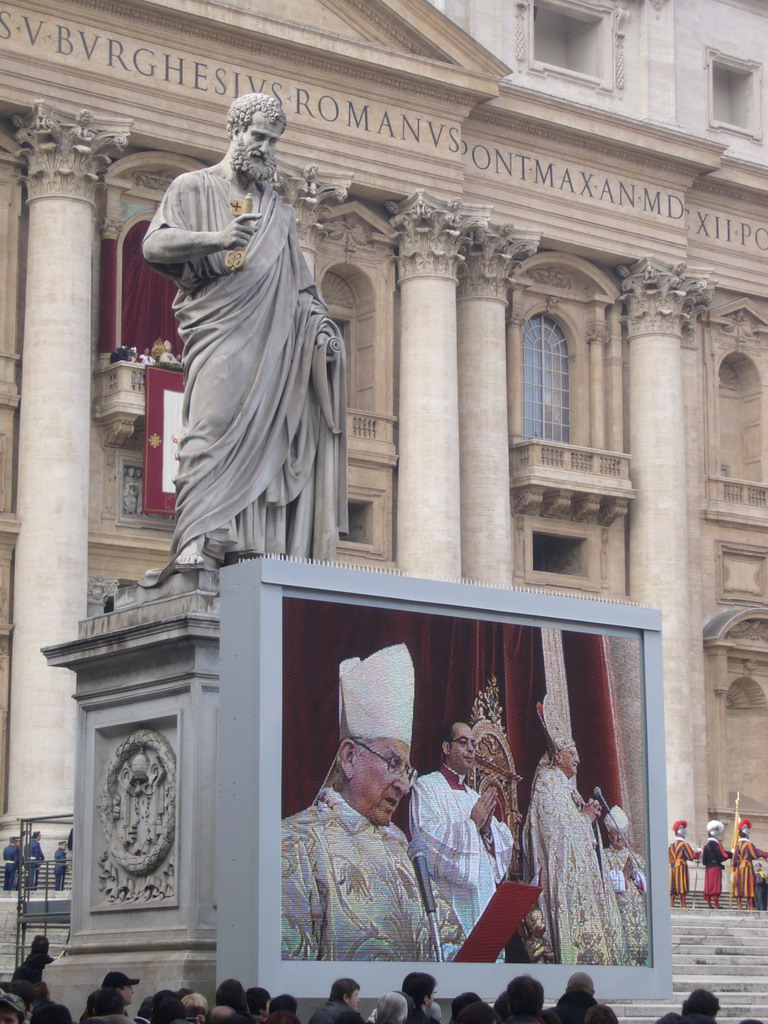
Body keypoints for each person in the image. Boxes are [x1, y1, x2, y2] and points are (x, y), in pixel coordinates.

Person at [142, 91, 347, 580]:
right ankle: (195, 535)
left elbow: (300, 288)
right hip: (220, 330)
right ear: (234, 131)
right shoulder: (192, 187)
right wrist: (218, 238)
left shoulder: (279, 210)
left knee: (267, 432)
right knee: (209, 428)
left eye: (273, 140)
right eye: (257, 135)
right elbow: (154, 246)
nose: (265, 148)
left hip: (272, 339)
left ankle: (244, 542)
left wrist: (322, 334)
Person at [281, 643, 463, 960]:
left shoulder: (398, 843)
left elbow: (444, 938)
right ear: (349, 757)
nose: (404, 786)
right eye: (392, 763)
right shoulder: (296, 842)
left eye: (407, 770)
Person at [522, 703, 624, 964]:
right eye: (572, 753)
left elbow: (570, 822)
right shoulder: (549, 780)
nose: (578, 759)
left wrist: (584, 815)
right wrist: (585, 819)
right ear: (558, 757)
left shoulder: (564, 785)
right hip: (560, 871)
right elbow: (555, 830)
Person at [409, 721, 514, 936]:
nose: (471, 749)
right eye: (463, 742)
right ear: (446, 748)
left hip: (484, 897)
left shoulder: (475, 797)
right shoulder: (427, 787)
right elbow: (426, 840)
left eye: (473, 744)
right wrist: (472, 825)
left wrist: (487, 832)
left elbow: (503, 846)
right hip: (451, 901)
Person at [602, 805, 648, 964]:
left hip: (636, 909)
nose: (620, 838)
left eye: (622, 834)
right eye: (616, 834)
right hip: (616, 908)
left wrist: (636, 877)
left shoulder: (635, 857)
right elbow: (602, 882)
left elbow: (645, 885)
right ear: (609, 835)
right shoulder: (603, 856)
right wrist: (623, 875)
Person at [732, 818, 768, 911]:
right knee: (749, 885)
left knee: (739, 886)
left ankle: (739, 906)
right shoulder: (748, 845)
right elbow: (755, 853)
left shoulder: (737, 845)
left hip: (739, 867)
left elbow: (735, 859)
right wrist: (765, 854)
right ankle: (749, 906)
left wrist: (734, 868)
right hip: (747, 866)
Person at [669, 821, 700, 908]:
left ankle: (672, 903)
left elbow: (669, 858)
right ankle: (683, 904)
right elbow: (691, 856)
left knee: (673, 885)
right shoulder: (684, 844)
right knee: (681, 884)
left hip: (673, 866)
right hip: (681, 866)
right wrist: (698, 853)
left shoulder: (671, 845)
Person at [702, 820, 731, 910]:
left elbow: (704, 861)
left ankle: (709, 905)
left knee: (709, 885)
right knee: (715, 885)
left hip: (708, 868)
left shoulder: (705, 846)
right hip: (715, 867)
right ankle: (717, 905)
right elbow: (724, 855)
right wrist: (732, 853)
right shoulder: (717, 845)